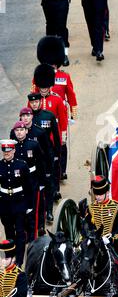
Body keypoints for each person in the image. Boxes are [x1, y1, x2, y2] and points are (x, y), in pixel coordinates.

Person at [35, 35, 78, 180]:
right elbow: (34, 95)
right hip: (43, 116)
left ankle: (62, 170)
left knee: (61, 143)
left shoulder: (64, 77)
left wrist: (73, 114)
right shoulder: (39, 76)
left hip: (60, 117)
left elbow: (71, 95)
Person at [27, 93, 61, 223]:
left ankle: (49, 211)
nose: (34, 104)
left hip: (47, 156)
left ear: (40, 102)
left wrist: (57, 154)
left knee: (48, 184)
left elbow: (56, 136)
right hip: (32, 159)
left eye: (36, 102)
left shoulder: (49, 116)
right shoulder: (27, 118)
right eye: (32, 102)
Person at [0, 141, 33, 267]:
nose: (6, 153)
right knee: (9, 232)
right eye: (4, 151)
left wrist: (29, 206)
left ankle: (19, 261)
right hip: (4, 204)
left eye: (9, 151)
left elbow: (28, 187)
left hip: (19, 203)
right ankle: (10, 257)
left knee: (19, 233)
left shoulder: (22, 165)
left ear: (13, 151)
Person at [12, 121, 46, 242]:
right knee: (22, 210)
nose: (19, 133)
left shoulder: (34, 145)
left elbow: (40, 163)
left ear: (26, 131)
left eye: (21, 130)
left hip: (33, 181)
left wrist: (42, 182)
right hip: (18, 183)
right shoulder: (12, 147)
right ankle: (25, 235)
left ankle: (34, 238)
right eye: (17, 130)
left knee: (33, 211)